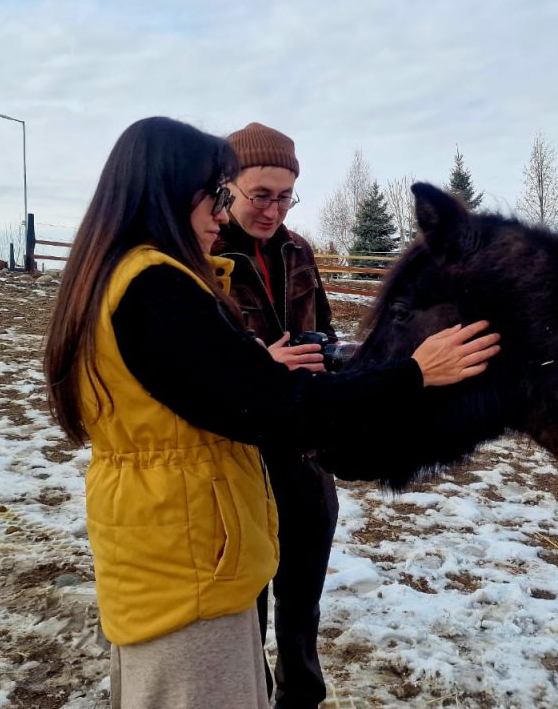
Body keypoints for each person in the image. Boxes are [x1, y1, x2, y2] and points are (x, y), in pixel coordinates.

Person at [42, 116, 500, 709]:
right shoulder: (158, 286)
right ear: (172, 191)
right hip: (194, 550)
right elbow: (278, 408)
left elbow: (230, 386)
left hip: (173, 528)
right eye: (222, 194)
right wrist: (414, 373)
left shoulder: (120, 274)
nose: (224, 209)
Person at [214, 122, 338, 709]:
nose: (273, 209)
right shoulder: (204, 252)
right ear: (227, 185)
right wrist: (262, 363)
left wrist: (330, 357)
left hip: (306, 451)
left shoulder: (299, 249)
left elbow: (328, 331)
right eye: (260, 194)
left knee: (303, 600)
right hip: (241, 454)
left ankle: (301, 700)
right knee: (249, 604)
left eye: (285, 196)